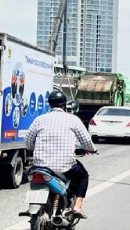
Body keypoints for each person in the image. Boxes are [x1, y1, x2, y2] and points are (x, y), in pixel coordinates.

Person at [25, 90, 97, 219]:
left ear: (49, 104)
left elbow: (28, 142)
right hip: (64, 167)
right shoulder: (73, 119)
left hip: (40, 166)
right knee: (83, 176)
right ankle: (77, 207)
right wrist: (92, 149)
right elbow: (86, 140)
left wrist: (33, 147)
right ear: (64, 105)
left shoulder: (39, 119)